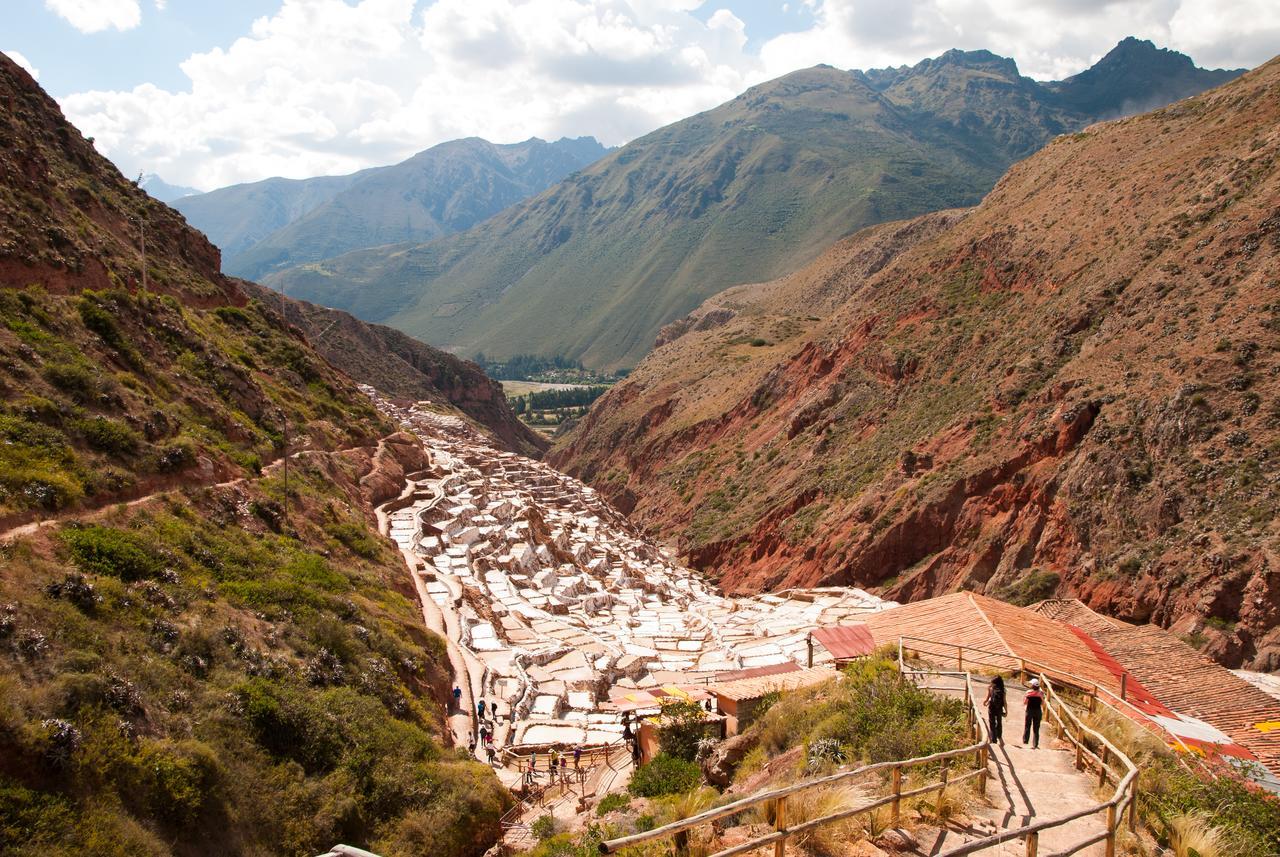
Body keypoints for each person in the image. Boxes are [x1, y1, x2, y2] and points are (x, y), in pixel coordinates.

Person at [984, 676, 1008, 746]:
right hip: (999, 708)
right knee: (999, 721)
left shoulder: (991, 688)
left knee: (992, 722)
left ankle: (993, 738)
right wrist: (1006, 711)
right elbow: (1004, 701)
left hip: (992, 707)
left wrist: (985, 701)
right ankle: (999, 735)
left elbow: (989, 697)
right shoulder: (1003, 690)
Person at [1023, 678, 1044, 748]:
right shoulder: (1041, 693)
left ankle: (1025, 740)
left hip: (1029, 710)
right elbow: (1042, 703)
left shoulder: (1028, 693)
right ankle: (1035, 744)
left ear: (1032, 685)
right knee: (1036, 728)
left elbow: (1025, 702)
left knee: (1027, 726)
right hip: (1038, 711)